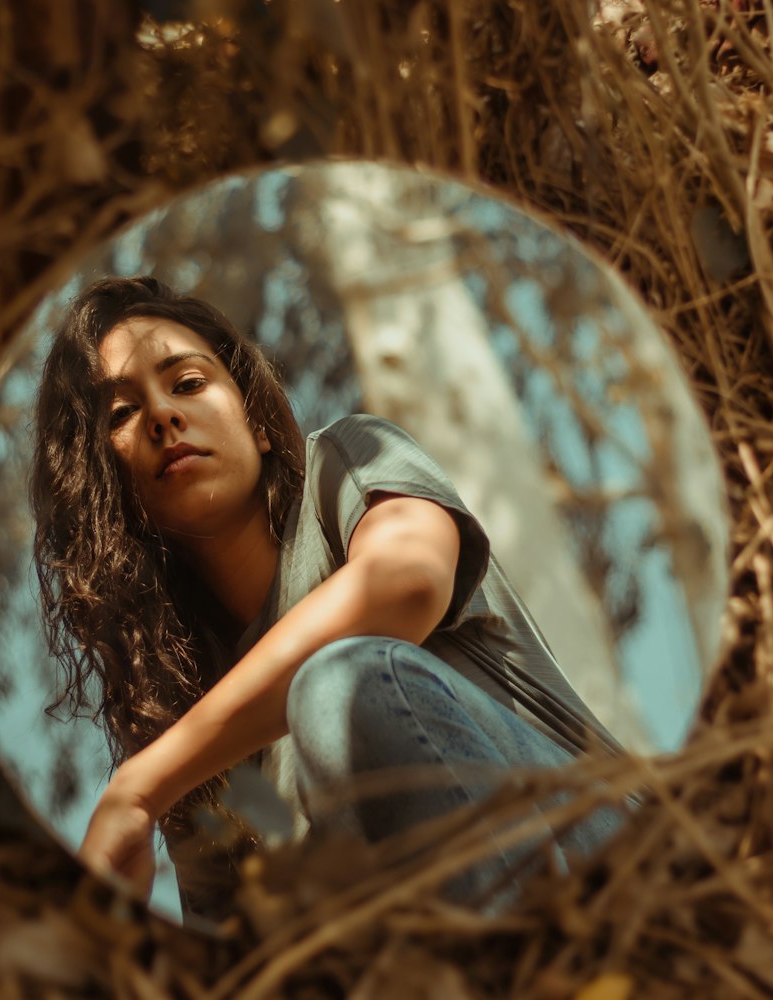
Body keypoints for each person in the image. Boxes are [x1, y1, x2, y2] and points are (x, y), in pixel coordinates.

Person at [31, 275, 621, 920]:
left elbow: (406, 581)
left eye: (190, 383)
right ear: (109, 489)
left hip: (610, 857)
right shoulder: (179, 712)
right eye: (120, 414)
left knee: (340, 683)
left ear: (256, 422)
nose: (164, 416)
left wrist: (143, 783)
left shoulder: (346, 465)